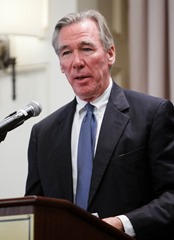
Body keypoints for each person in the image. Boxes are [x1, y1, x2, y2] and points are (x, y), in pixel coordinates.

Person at [25, 9, 174, 240]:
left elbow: (171, 196)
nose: (77, 62)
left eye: (86, 48)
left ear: (110, 53)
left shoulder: (153, 114)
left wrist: (122, 223)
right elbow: (34, 211)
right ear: (60, 64)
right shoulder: (42, 133)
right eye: (66, 52)